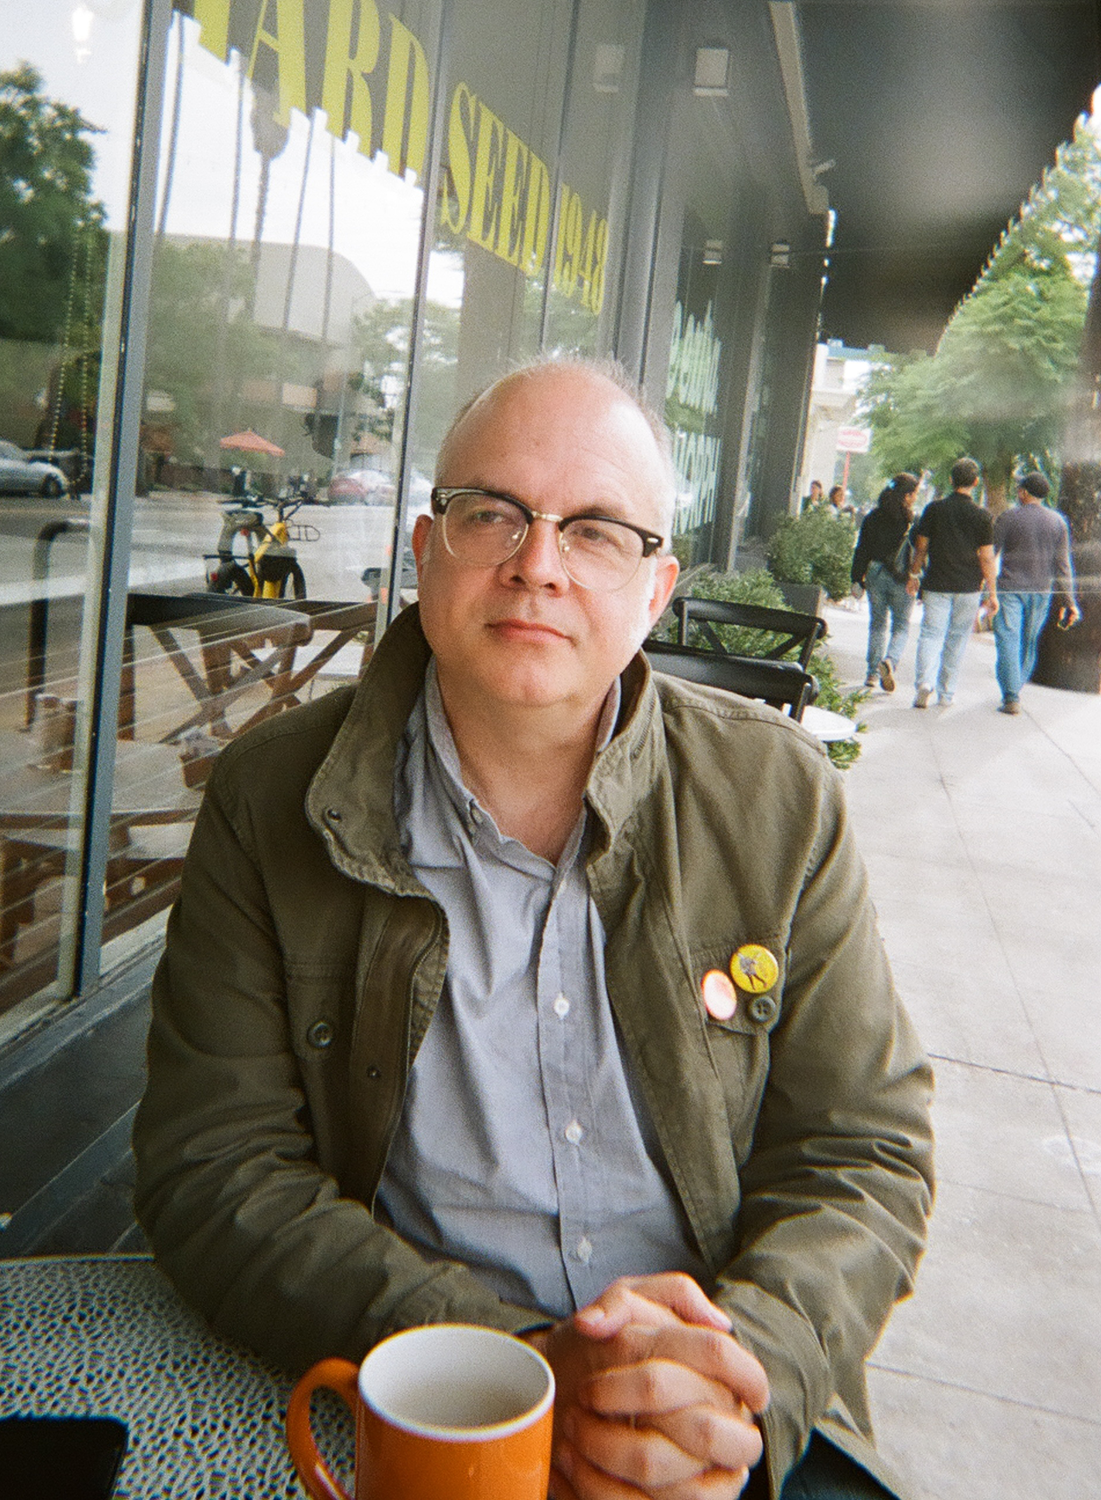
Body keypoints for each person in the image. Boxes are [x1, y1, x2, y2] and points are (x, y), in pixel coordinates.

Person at [134, 357, 933, 1500]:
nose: (537, 566)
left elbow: (864, 1146)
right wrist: (503, 1365)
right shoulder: (274, 797)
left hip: (719, 1417)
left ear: (658, 590)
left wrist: (739, 1371)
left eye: (598, 530)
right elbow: (213, 1167)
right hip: (419, 1402)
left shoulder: (778, 799)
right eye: (491, 514)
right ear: (424, 550)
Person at [906, 457, 997, 707]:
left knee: (930, 635)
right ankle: (946, 693)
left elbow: (921, 547)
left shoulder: (934, 509)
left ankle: (924, 683)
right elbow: (987, 558)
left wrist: (914, 575)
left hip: (936, 582)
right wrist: (992, 592)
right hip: (969, 587)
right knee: (956, 639)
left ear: (950, 480)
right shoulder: (982, 516)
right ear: (976, 482)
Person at [992, 471, 1080, 714]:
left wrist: (986, 588)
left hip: (1010, 589)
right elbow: (1063, 564)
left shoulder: (1008, 517)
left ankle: (1011, 695)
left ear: (1024, 493)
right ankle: (1014, 691)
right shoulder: (1058, 522)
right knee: (1028, 642)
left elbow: (991, 554)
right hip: (1041, 591)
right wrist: (1070, 600)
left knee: (1008, 639)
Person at [850, 473, 921, 691]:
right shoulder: (912, 522)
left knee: (877, 624)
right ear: (907, 496)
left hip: (874, 574)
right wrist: (918, 579)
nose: (916, 498)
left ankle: (871, 674)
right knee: (901, 626)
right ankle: (890, 661)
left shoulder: (872, 517)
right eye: (915, 494)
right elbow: (920, 553)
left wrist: (856, 578)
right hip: (902, 577)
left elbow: (861, 549)